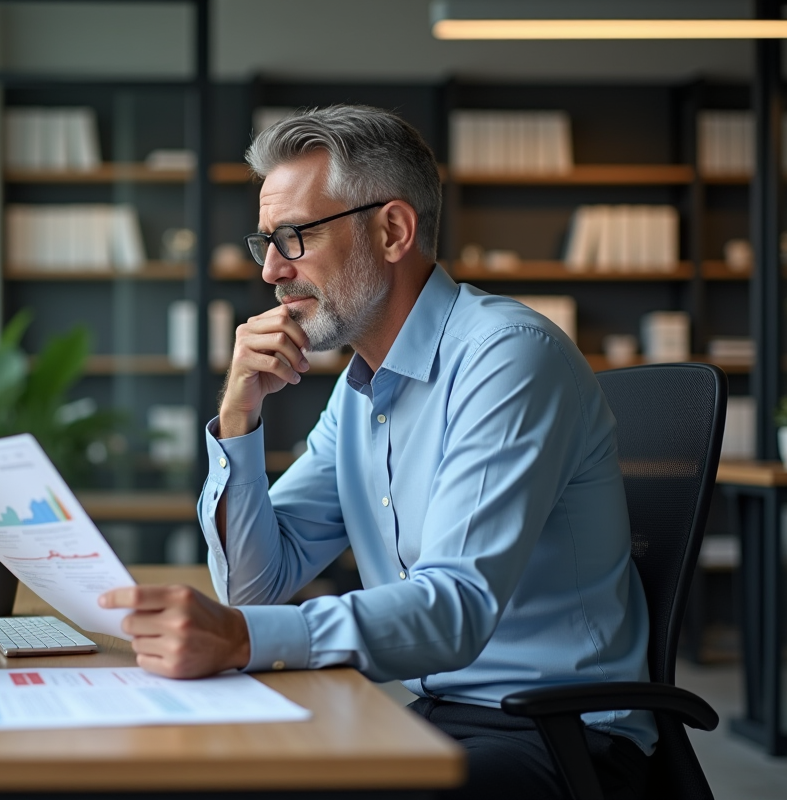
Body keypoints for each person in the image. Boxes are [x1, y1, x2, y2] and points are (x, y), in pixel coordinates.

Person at [99, 105, 653, 799]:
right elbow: (256, 587)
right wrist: (238, 418)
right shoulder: (359, 391)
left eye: (294, 236)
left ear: (392, 231)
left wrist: (242, 639)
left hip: (561, 735)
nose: (271, 270)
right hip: (441, 712)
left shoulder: (507, 358)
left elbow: (455, 608)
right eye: (266, 241)